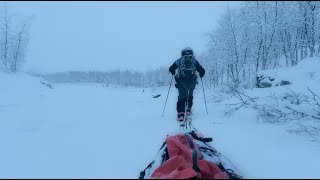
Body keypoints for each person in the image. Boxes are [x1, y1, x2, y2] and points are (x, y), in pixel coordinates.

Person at [169, 47, 205, 121]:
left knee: (181, 96)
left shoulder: (179, 61)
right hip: (192, 81)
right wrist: (201, 74)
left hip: (181, 81)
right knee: (190, 94)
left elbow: (171, 68)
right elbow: (202, 70)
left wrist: (173, 72)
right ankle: (188, 109)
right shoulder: (194, 61)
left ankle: (181, 114)